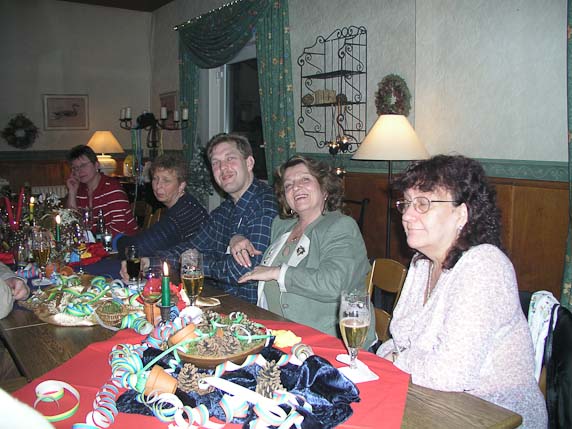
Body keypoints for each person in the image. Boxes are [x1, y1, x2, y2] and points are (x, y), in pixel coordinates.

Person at [375, 155, 546, 428]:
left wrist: (396, 359)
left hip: (494, 415)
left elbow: (450, 373)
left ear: (461, 215)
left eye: (423, 203)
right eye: (406, 203)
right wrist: (391, 356)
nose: (406, 215)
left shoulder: (484, 266)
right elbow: (398, 340)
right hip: (430, 400)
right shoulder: (422, 263)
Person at [237, 156, 375, 344]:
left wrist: (278, 273)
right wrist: (236, 239)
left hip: (327, 341)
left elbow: (335, 283)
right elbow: (259, 269)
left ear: (324, 188)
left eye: (305, 179)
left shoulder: (340, 226)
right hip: (277, 334)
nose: (296, 187)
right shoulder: (281, 226)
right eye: (288, 185)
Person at [154, 133, 278, 304]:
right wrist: (150, 261)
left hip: (251, 308)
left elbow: (242, 271)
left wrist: (194, 263)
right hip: (220, 300)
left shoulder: (266, 204)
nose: (223, 167)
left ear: (249, 163)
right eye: (216, 163)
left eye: (230, 158)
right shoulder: (224, 210)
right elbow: (193, 246)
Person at [117, 155, 209, 276]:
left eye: (166, 180)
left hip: (200, 280)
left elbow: (137, 248)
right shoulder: (187, 203)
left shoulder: (183, 213)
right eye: (155, 179)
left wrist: (116, 240)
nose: (158, 186)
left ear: (181, 185)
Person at [65, 145, 138, 238]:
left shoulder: (112, 188)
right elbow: (71, 222)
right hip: (96, 243)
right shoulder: (80, 190)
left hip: (124, 242)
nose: (79, 171)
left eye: (83, 165)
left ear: (96, 165)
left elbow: (119, 227)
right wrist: (72, 192)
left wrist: (95, 243)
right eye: (75, 168)